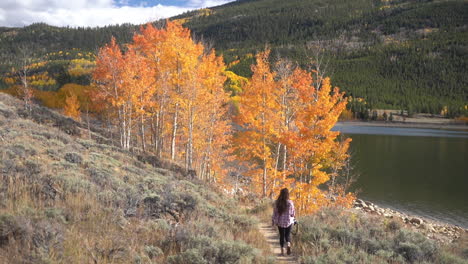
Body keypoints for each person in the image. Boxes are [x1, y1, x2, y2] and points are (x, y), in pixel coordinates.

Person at [271, 188, 295, 256]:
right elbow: (292, 213)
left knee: (281, 236)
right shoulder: (290, 202)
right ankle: (288, 244)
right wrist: (293, 219)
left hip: (280, 222)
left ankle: (282, 252)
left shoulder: (277, 202)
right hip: (289, 221)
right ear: (287, 194)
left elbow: (275, 213)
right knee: (287, 235)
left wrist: (273, 221)